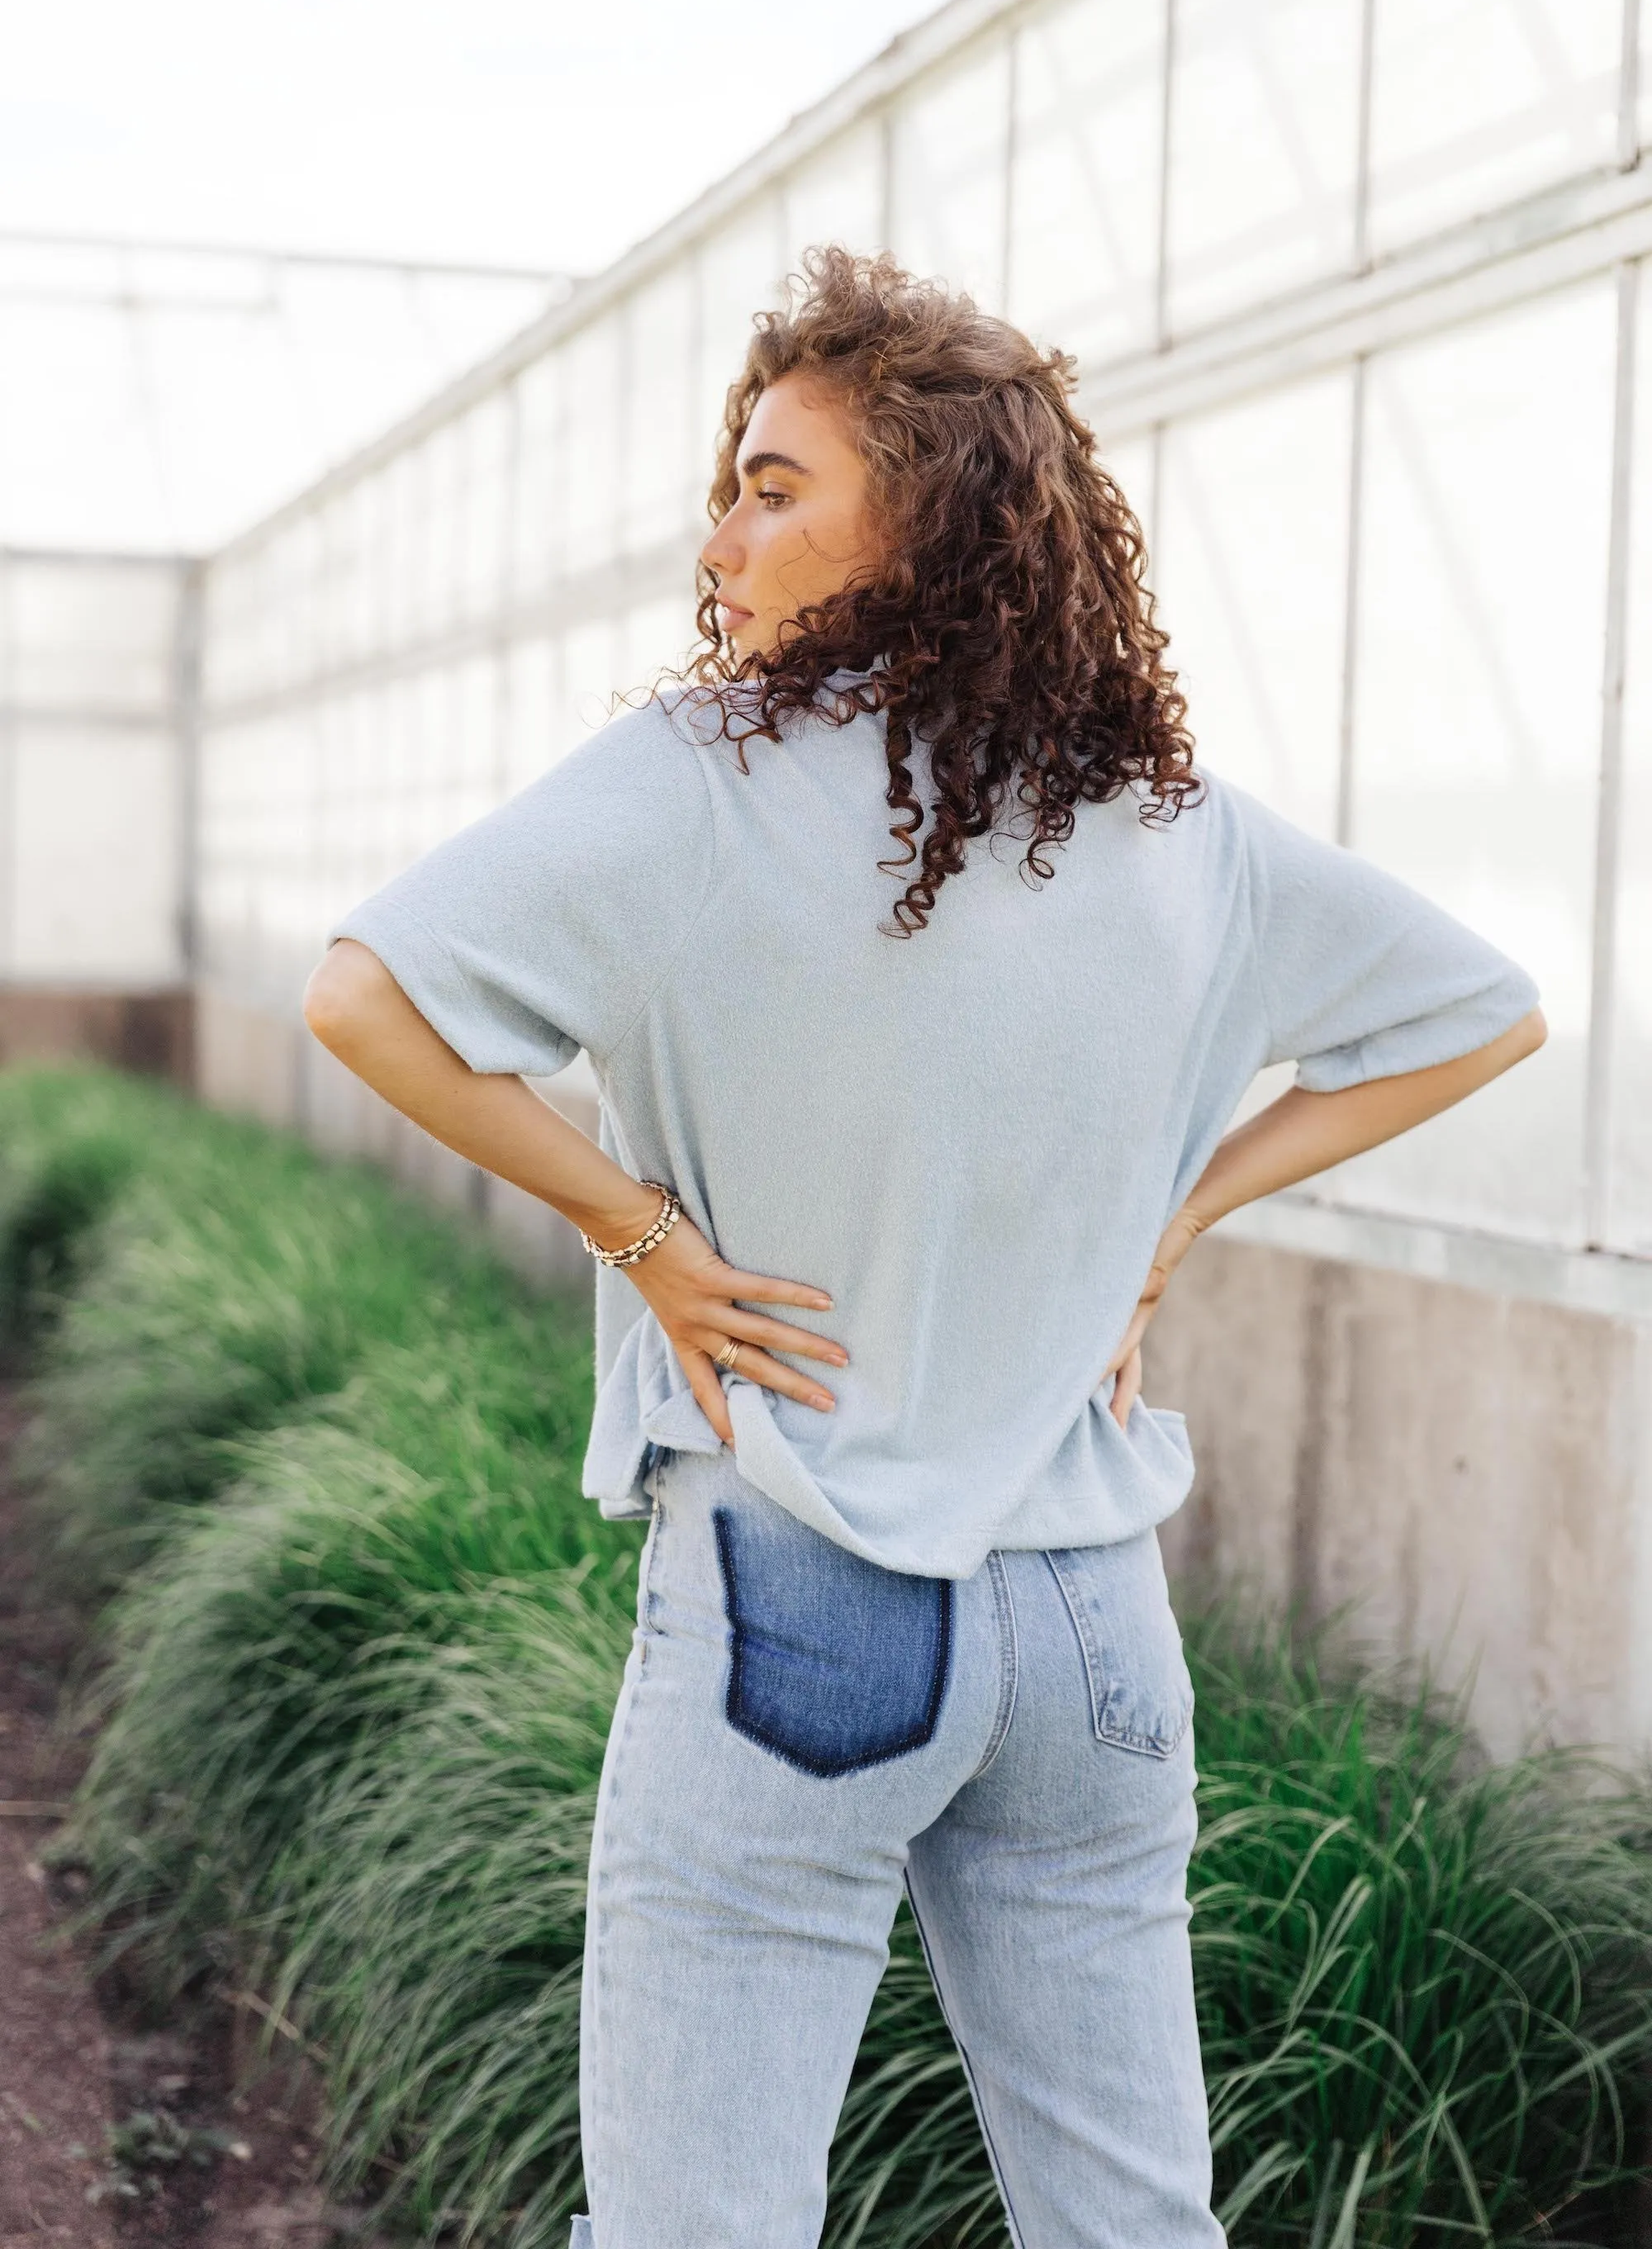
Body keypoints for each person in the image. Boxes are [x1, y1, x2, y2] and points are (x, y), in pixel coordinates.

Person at [304, 248, 1545, 2249]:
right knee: (1131, 2221)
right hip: (1091, 1624)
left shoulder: (689, 783)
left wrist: (643, 1239)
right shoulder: (1170, 827)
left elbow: (364, 1000)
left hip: (801, 1591)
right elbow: (1485, 1011)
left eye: (775, 482)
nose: (722, 529)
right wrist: (1184, 1205)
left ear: (930, 511)